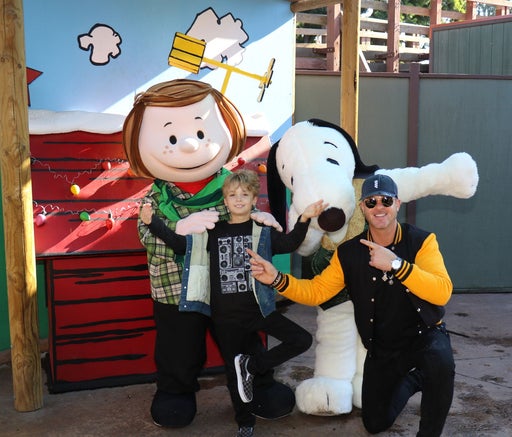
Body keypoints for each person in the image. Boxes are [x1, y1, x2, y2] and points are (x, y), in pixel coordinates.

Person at [123, 79, 288, 429]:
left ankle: (259, 386)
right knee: (179, 347)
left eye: (200, 133)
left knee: (243, 341)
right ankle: (175, 392)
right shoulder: (155, 200)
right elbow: (146, 236)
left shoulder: (232, 187)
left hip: (229, 287)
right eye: (170, 138)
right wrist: (177, 229)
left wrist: (263, 221)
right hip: (175, 291)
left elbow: (246, 219)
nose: (186, 145)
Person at [248, 173, 456, 437]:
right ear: (362, 208)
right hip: (384, 346)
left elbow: (442, 292)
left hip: (423, 335)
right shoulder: (348, 253)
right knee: (375, 423)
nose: (379, 208)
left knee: (441, 362)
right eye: (371, 202)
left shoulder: (422, 241)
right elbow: (317, 291)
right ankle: (416, 379)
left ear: (397, 204)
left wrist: (396, 265)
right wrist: (276, 278)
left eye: (385, 201)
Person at [140, 169, 327, 437]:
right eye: (232, 195)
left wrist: (305, 218)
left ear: (253, 199)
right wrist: (152, 222)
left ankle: (253, 366)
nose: (238, 199)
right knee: (233, 376)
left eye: (245, 194)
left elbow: (289, 242)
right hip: (225, 318)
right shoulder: (213, 232)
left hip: (258, 310)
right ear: (224, 201)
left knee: (300, 340)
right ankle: (245, 422)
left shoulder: (262, 233)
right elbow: (180, 245)